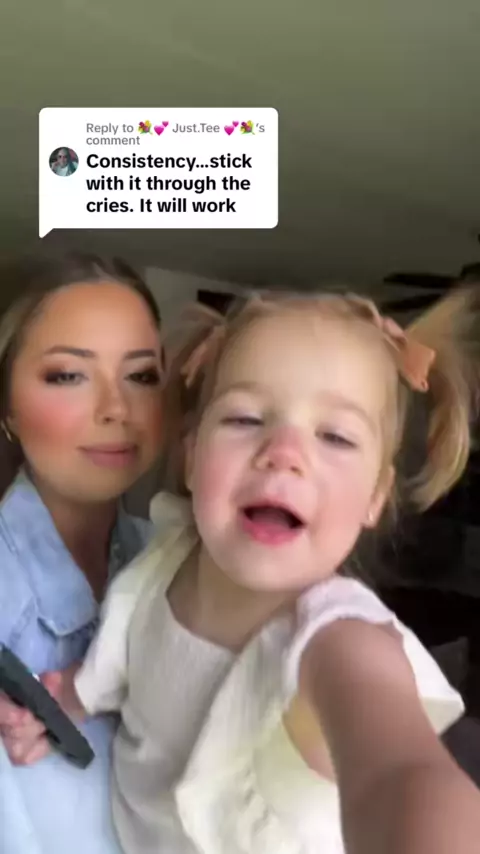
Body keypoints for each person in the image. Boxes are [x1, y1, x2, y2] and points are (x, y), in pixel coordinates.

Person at [9, 288, 480, 854]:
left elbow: (398, 773)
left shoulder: (339, 639)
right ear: (191, 455)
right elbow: (124, 655)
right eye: (246, 418)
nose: (284, 452)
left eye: (335, 436)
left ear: (376, 496)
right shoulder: (162, 560)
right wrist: (67, 700)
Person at [0, 252, 165, 854]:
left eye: (141, 376)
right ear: (7, 407)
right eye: (69, 375)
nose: (116, 408)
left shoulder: (174, 562)